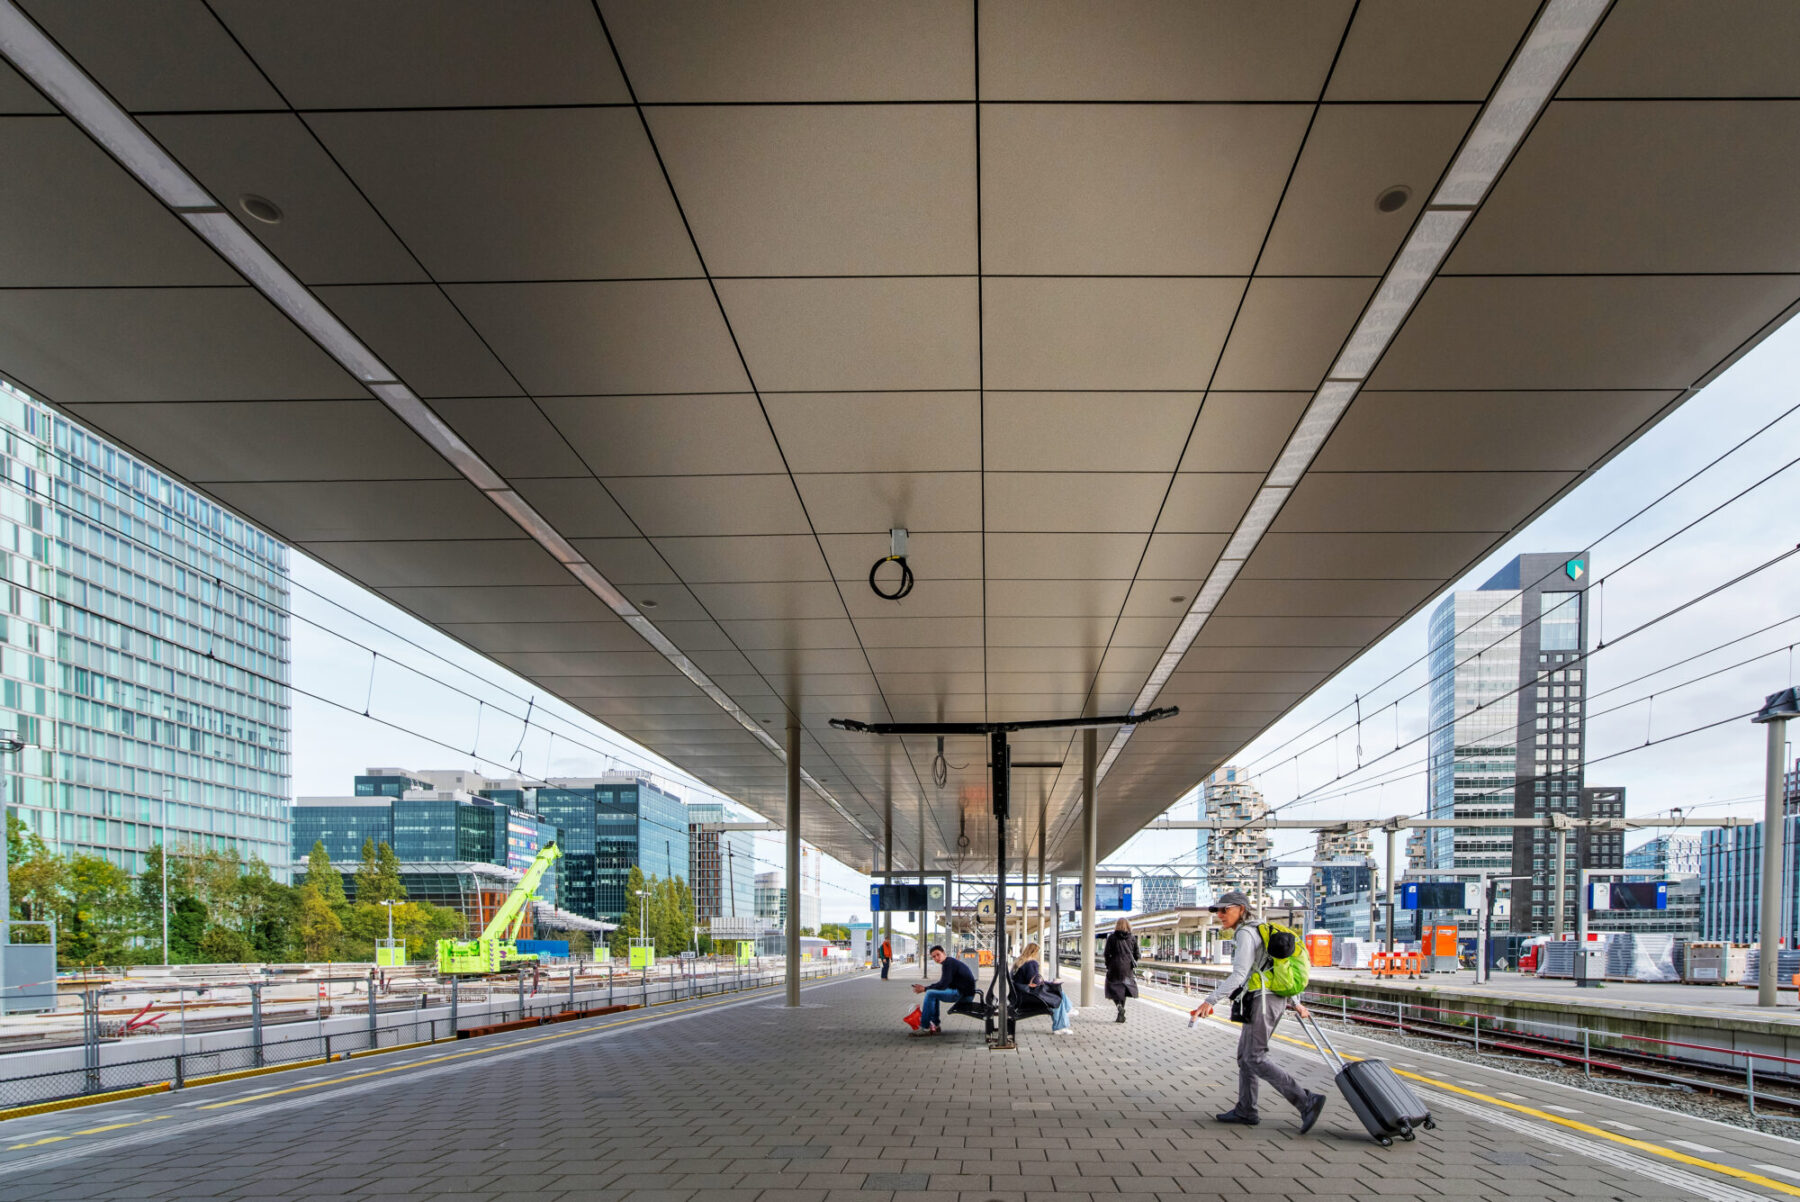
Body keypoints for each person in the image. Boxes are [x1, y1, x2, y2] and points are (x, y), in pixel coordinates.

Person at [1190, 891, 1326, 1133]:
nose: (1220, 915)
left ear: (1241, 909)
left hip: (1263, 1000)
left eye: (1225, 909)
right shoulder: (1261, 929)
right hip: (1269, 998)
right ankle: (1246, 1110)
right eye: (1217, 911)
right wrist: (1295, 1001)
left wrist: (1210, 1001)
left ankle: (1306, 1101)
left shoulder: (1245, 932)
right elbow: (1275, 966)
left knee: (1255, 1057)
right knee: (1245, 1057)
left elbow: (1240, 974)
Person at [1011, 941, 1074, 1034]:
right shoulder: (1031, 963)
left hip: (1020, 993)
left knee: (1056, 991)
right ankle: (1061, 1025)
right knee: (1056, 997)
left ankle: (1067, 1012)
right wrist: (1049, 983)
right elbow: (1035, 981)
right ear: (1034, 952)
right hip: (1028, 995)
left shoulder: (1019, 961)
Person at [911, 945, 975, 1036]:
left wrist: (925, 989)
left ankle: (925, 1028)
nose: (936, 958)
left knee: (930, 994)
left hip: (963, 995)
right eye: (933, 956)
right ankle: (936, 1025)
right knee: (934, 993)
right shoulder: (949, 962)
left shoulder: (948, 964)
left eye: (938, 954)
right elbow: (943, 984)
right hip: (965, 993)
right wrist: (928, 988)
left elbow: (943, 984)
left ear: (944, 953)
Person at [1103, 917, 1139, 1023]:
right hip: (1127, 968)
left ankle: (1119, 1007)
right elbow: (1137, 954)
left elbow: (1106, 953)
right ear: (1128, 925)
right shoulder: (1132, 938)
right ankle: (1120, 1014)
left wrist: (1108, 964)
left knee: (1112, 987)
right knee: (1123, 989)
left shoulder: (1111, 938)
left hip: (1114, 967)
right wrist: (1131, 964)